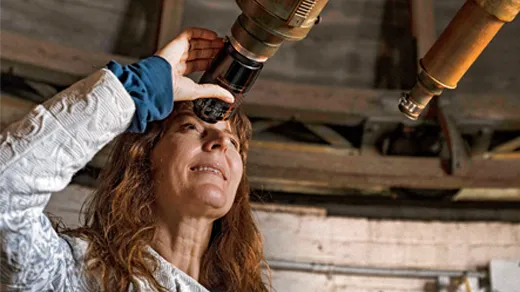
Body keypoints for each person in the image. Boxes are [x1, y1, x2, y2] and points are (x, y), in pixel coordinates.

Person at [0, 27, 270, 292]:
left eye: (233, 142)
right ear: (143, 156)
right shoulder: (76, 276)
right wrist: (138, 90)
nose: (221, 142)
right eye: (191, 127)